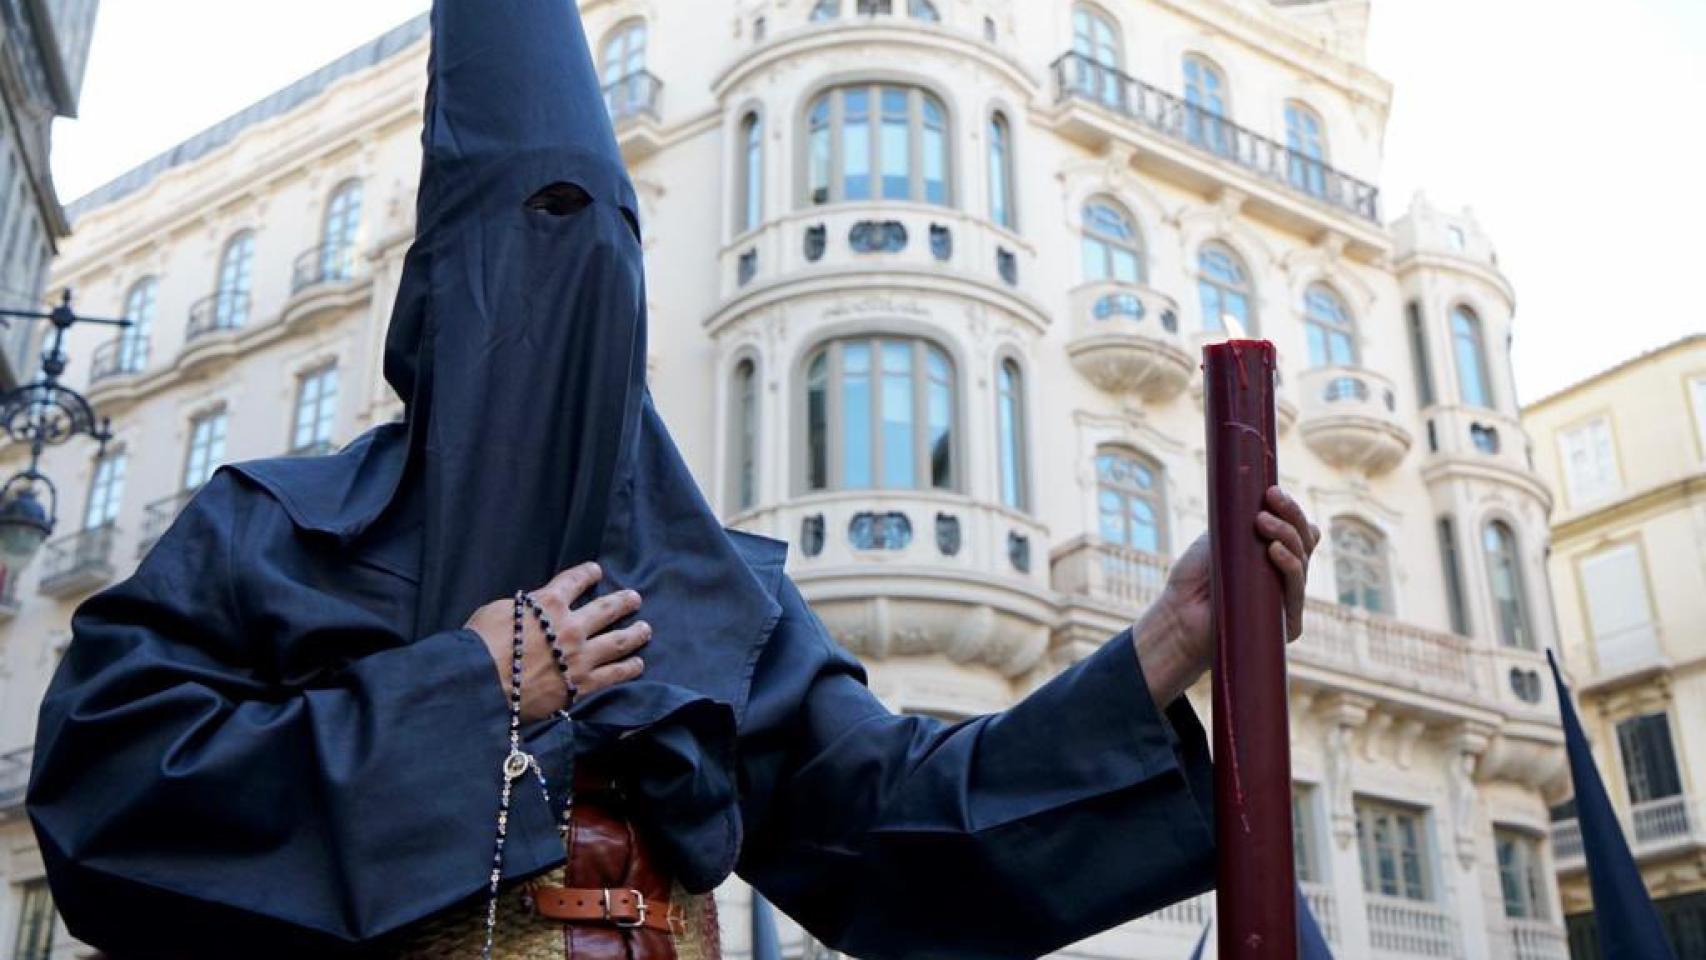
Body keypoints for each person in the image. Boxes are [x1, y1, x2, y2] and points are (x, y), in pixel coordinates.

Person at [27, 2, 1320, 958]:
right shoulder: (272, 528)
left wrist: (1160, 646)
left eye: (603, 248)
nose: (566, 288)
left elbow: (894, 830)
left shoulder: (710, 591)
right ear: (438, 300)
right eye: (530, 241)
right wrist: (463, 691)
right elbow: (111, 806)